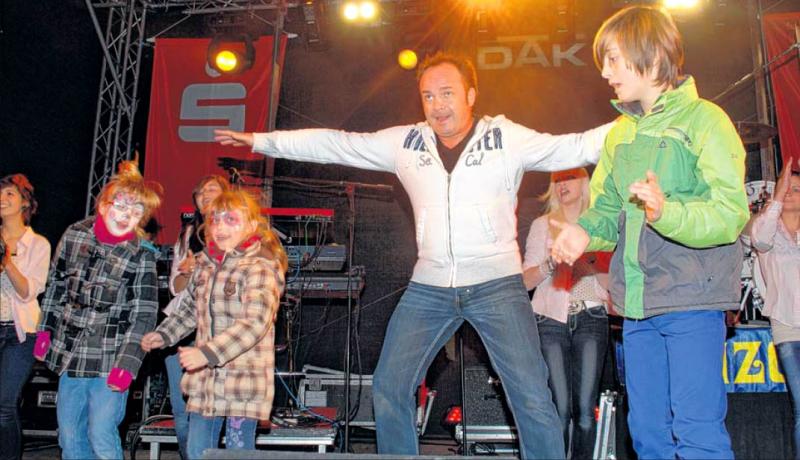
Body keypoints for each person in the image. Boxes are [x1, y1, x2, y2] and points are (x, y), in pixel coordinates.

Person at [214, 51, 613, 458]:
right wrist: (261, 141)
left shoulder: (505, 138)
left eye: (447, 93)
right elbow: (338, 144)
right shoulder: (406, 143)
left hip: (497, 284)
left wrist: (638, 124)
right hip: (430, 287)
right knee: (389, 385)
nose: (438, 105)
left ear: (470, 95)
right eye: (428, 96)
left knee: (530, 393)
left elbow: (576, 146)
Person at [550, 5, 750, 459]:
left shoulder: (706, 120)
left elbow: (729, 213)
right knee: (645, 433)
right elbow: (606, 209)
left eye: (614, 59)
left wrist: (667, 213)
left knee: (697, 430)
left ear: (653, 56)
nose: (605, 73)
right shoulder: (618, 134)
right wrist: (584, 232)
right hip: (637, 308)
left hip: (692, 299)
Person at [141, 189, 287, 460]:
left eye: (230, 219)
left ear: (251, 225)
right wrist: (164, 335)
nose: (220, 227)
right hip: (207, 382)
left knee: (237, 452)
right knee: (197, 451)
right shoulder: (205, 264)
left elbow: (255, 322)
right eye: (215, 220)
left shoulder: (260, 266)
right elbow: (189, 310)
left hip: (243, 382)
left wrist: (206, 353)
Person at [34, 160, 162, 459]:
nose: (127, 216)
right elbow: (56, 285)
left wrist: (127, 364)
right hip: (71, 353)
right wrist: (45, 331)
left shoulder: (142, 255)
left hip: (111, 354)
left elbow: (144, 315)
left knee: (101, 432)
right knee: (69, 435)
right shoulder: (75, 234)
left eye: (136, 212)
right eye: (121, 206)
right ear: (103, 206)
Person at [521, 168, 610, 459]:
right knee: (558, 410)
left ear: (584, 183)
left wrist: (590, 256)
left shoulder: (599, 224)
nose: (562, 185)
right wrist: (550, 263)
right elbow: (525, 281)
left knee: (585, 410)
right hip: (550, 321)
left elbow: (611, 283)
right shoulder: (542, 225)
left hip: (591, 317)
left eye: (569, 178)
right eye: (557, 180)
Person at [163, 175, 230, 459]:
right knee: (182, 413)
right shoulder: (187, 235)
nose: (205, 195)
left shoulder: (234, 232)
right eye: (200, 192)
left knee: (212, 410)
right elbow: (175, 288)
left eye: (212, 189)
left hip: (216, 330)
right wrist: (188, 271)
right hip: (183, 327)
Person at [750, 158, 800, 459]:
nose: (790, 192)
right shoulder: (765, 227)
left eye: (796, 189)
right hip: (787, 325)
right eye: (786, 188)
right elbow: (760, 240)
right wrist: (777, 197)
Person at [0, 174, 51, 460]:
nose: (2, 199)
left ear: (24, 202)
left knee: (4, 406)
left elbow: (27, 292)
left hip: (19, 334)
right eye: (0, 194)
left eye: (9, 194)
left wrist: (6, 261)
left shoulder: (38, 244)